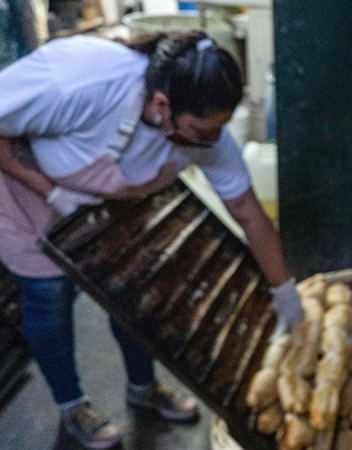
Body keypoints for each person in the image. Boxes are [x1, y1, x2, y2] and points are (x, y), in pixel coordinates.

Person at [0, 31, 304, 449]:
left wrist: (283, 289)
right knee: (48, 298)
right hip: (26, 193)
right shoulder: (79, 82)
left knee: (135, 293)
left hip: (110, 200)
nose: (211, 143)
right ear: (161, 105)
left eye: (218, 130)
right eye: (200, 130)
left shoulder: (201, 131)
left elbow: (249, 213)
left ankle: (143, 387)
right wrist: (48, 190)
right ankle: (73, 405)